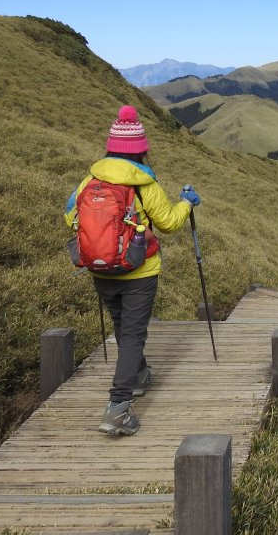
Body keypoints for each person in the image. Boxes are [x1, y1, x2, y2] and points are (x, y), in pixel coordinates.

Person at [65, 105, 201, 436]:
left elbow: (71, 218)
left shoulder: (89, 180)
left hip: (100, 268)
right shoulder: (143, 184)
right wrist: (187, 203)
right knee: (132, 334)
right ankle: (118, 408)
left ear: (110, 147)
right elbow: (168, 223)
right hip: (139, 270)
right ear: (140, 149)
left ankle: (138, 375)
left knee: (122, 326)